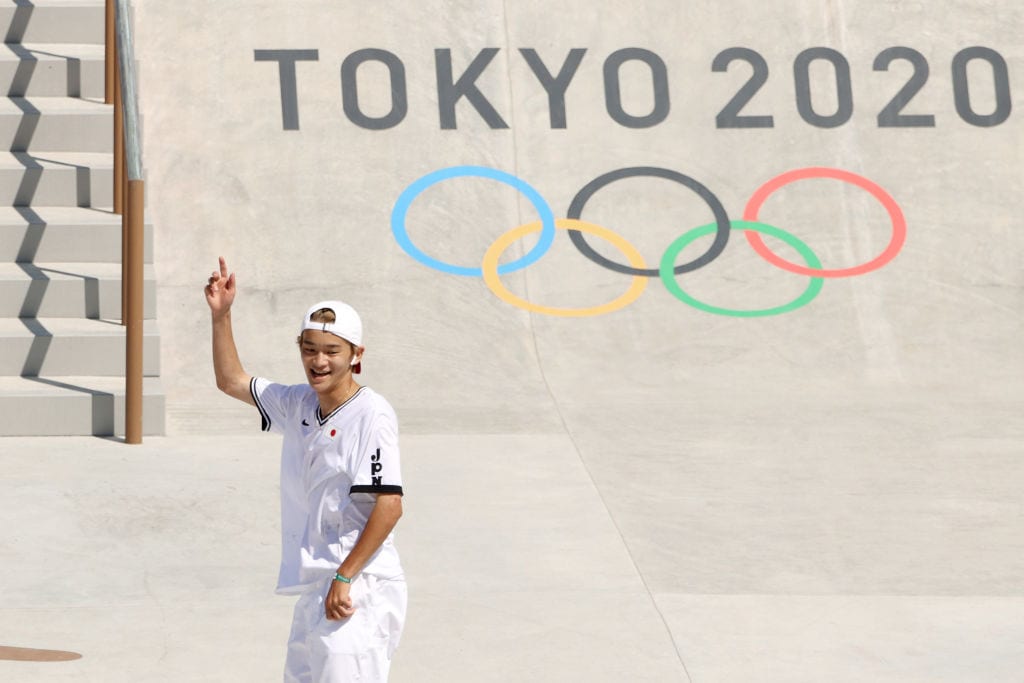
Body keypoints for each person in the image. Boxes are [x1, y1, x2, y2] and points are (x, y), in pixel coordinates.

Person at [204, 256, 407, 682]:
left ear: (356, 355)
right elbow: (231, 380)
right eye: (309, 349)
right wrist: (222, 316)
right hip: (319, 588)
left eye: (331, 351)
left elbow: (389, 505)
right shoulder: (298, 404)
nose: (319, 361)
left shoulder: (372, 415)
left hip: (359, 587)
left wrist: (345, 576)